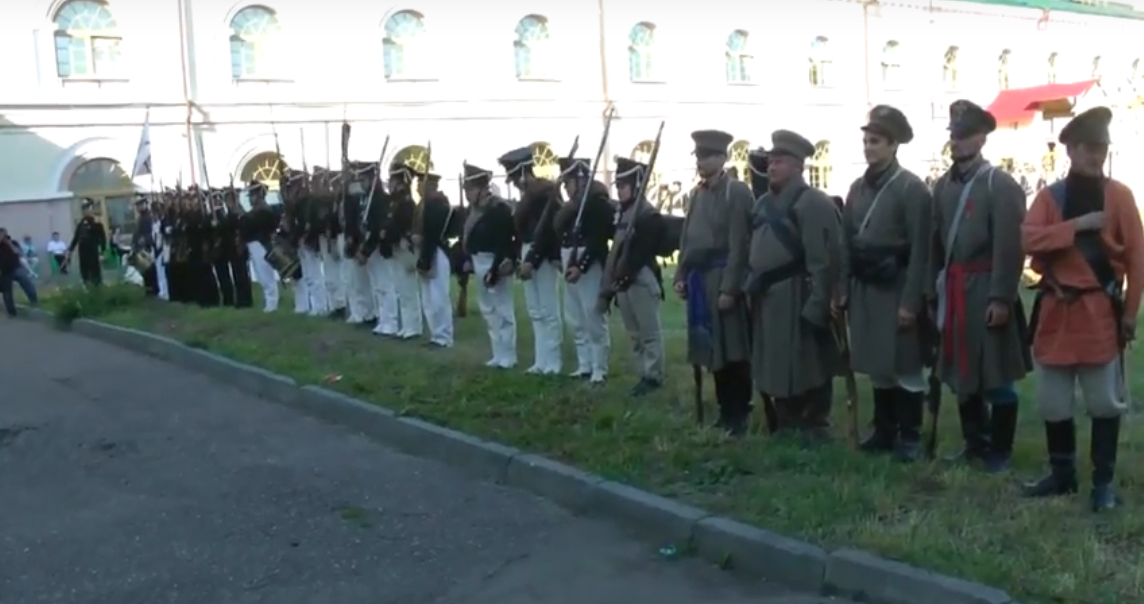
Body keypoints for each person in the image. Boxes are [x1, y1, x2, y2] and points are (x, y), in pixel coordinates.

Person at [1021, 106, 1144, 511]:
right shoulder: (1050, 197)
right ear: (1071, 150)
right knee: (1053, 401)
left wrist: (1130, 313)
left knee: (1104, 402)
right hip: (1057, 312)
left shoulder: (1120, 196)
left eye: (1101, 148)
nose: (1096, 155)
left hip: (1097, 312)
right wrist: (1076, 226)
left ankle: (1102, 484)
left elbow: (1137, 259)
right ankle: (1062, 475)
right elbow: (1028, 240)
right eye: (1088, 148)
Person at [931, 100, 1031, 472]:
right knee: (963, 371)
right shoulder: (943, 186)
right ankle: (975, 443)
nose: (956, 141)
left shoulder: (999, 185)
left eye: (964, 135)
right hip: (956, 288)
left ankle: (1000, 451)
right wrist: (933, 291)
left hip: (987, 288)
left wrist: (1001, 298)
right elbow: (937, 243)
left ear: (981, 139)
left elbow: (1010, 245)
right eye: (954, 134)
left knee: (996, 371)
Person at [838, 105, 935, 461]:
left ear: (894, 145)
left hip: (897, 285)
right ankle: (884, 430)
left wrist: (911, 302)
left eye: (876, 141)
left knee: (905, 362)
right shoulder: (857, 188)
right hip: (866, 287)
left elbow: (922, 250)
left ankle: (910, 435)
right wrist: (842, 289)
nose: (869, 147)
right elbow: (845, 242)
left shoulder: (911, 189)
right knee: (878, 363)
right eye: (866, 141)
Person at [745, 130, 843, 440]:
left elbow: (825, 260)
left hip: (798, 294)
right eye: (771, 161)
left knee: (808, 363)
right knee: (775, 362)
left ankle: (814, 424)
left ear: (799, 166)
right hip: (768, 297)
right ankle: (785, 420)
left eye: (780, 161)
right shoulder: (762, 204)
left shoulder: (814, 203)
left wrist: (817, 305)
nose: (772, 167)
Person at [675, 129, 755, 433]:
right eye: (699, 156)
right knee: (712, 351)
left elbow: (740, 245)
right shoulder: (697, 194)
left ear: (722, 158)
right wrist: (682, 275)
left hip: (723, 278)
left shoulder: (737, 192)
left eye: (708, 156)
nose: (701, 162)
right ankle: (724, 410)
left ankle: (739, 412)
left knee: (733, 350)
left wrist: (730, 289)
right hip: (701, 282)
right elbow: (687, 240)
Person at [602, 157, 666, 396]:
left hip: (641, 277)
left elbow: (642, 251)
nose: (619, 190)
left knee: (649, 333)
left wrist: (624, 275)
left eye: (624, 185)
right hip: (624, 280)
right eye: (617, 186)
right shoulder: (623, 213)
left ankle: (653, 376)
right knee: (635, 334)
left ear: (636, 185)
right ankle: (643, 373)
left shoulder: (648, 215)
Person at [502, 146, 564, 375]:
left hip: (543, 254)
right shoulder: (529, 196)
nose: (514, 183)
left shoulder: (545, 193)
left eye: (515, 177)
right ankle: (541, 360)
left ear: (523, 172)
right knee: (535, 311)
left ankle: (553, 361)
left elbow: (548, 231)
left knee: (548, 310)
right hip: (528, 251)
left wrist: (533, 260)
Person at [555, 156, 614, 383]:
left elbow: (598, 240)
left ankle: (599, 367)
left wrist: (582, 266)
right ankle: (585, 363)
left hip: (587, 263)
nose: (566, 188)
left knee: (592, 315)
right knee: (575, 316)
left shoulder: (596, 203)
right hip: (569, 257)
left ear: (580, 180)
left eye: (568, 182)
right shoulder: (571, 207)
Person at [460, 162, 518, 368]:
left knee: (503, 309)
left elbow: (505, 241)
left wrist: (496, 269)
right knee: (488, 310)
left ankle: (509, 355)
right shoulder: (473, 212)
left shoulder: (499, 210)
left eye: (470, 189)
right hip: (479, 260)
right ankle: (498, 352)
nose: (467, 194)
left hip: (496, 261)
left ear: (482, 189)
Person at [414, 172, 455, 348]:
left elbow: (432, 232)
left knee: (439, 297)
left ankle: (444, 336)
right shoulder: (423, 205)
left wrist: (426, 258)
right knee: (429, 299)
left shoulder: (438, 205)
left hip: (436, 251)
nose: (418, 187)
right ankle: (435, 334)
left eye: (421, 183)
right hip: (425, 251)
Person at [341, 161, 378, 325]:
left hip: (369, 243)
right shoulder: (358, 197)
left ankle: (371, 313)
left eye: (363, 179)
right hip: (358, 240)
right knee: (356, 282)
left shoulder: (371, 198)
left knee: (374, 284)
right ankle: (363, 312)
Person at [240, 181, 280, 312]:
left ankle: (272, 302)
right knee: (261, 275)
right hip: (254, 244)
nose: (250, 199)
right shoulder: (256, 211)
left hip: (261, 244)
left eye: (253, 195)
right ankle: (268, 301)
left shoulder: (264, 210)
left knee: (266, 275)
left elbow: (253, 224)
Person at [67, 199, 107, 287]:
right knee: (85, 275)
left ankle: (97, 287)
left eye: (88, 208)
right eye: (84, 208)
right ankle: (87, 286)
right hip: (83, 254)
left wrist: (102, 252)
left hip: (93, 252)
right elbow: (76, 238)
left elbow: (102, 239)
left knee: (95, 276)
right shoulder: (81, 224)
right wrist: (70, 250)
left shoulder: (97, 223)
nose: (86, 210)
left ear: (92, 209)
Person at [0, 228, 38, 316]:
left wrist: (8, 243)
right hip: (5, 271)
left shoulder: (12, 242)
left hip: (16, 267)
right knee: (7, 292)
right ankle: (11, 312)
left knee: (27, 282)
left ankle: (34, 300)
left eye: (3, 234)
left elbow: (18, 252)